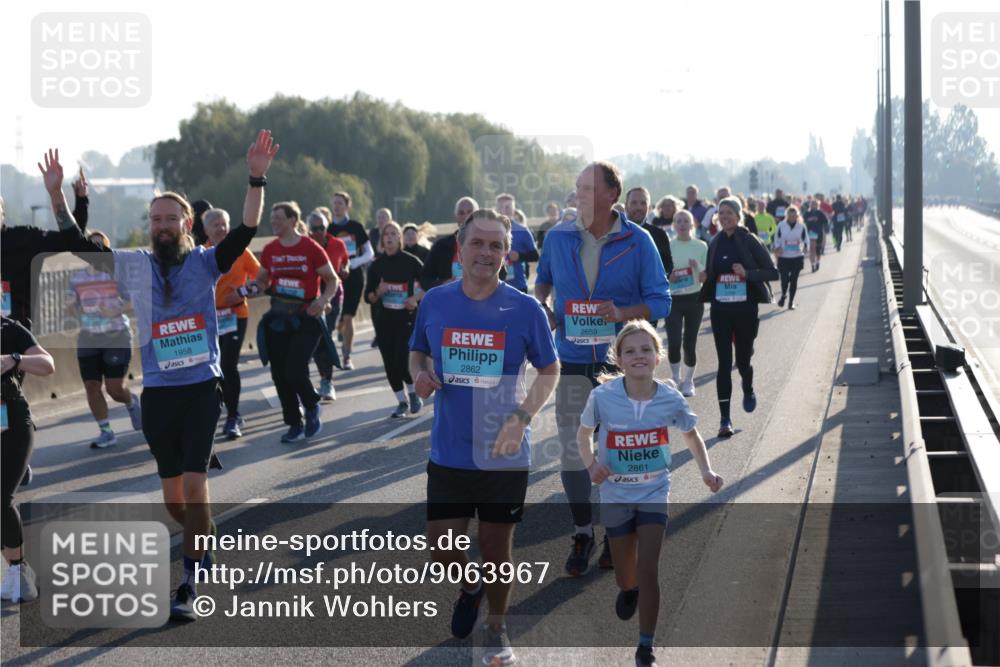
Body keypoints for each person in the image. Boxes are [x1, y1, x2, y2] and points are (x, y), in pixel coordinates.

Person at [39, 130, 280, 620]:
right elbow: (80, 246)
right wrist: (57, 197)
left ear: (186, 222)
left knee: (194, 488)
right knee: (175, 500)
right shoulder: (133, 264)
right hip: (159, 396)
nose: (164, 226)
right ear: (149, 226)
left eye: (171, 218)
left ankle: (190, 583)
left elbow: (247, 230)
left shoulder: (207, 263)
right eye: (156, 220)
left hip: (199, 391)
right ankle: (202, 544)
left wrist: (256, 177)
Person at [409, 208, 559, 667]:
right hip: (450, 450)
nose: (486, 252)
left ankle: (496, 626)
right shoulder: (436, 302)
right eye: (478, 243)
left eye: (496, 245)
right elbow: (417, 352)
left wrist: (522, 417)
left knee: (497, 549)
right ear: (460, 248)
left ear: (507, 254)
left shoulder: (525, 308)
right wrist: (419, 376)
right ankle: (470, 586)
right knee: (442, 551)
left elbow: (550, 369)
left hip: (503, 452)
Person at [535, 161, 670, 576]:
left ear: (612, 194)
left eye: (589, 188)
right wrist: (543, 306)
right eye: (577, 188)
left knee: (618, 451)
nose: (580, 196)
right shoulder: (558, 236)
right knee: (575, 448)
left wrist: (623, 312)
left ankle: (617, 532)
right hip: (573, 358)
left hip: (620, 365)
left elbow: (660, 301)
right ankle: (581, 531)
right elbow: (542, 281)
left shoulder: (638, 239)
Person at [577, 320, 723, 667]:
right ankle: (629, 591)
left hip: (654, 490)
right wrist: (592, 466)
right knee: (626, 575)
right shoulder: (602, 397)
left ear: (658, 357)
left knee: (648, 567)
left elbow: (691, 435)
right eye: (630, 351)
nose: (638, 356)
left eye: (646, 350)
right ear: (619, 359)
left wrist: (706, 470)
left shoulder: (670, 398)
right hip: (615, 494)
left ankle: (646, 646)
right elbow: (582, 437)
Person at [256, 202, 341, 443]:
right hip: (278, 319)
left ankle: (312, 405)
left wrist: (322, 300)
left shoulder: (310, 247)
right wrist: (249, 288)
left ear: (293, 221)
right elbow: (262, 280)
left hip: (307, 317)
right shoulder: (270, 249)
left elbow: (332, 280)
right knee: (279, 375)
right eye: (272, 219)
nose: (274, 223)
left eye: (279, 219)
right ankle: (294, 423)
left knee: (294, 369)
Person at [699, 196, 778, 438]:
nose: (725, 217)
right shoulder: (714, 242)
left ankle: (748, 384)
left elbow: (772, 272)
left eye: (729, 213)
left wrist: (747, 273)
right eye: (721, 214)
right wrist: (705, 277)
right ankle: (725, 419)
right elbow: (712, 274)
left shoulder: (748, 239)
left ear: (738, 215)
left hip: (745, 310)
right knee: (724, 363)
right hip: (721, 310)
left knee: (743, 361)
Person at [65, 229, 141, 448]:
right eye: (92, 246)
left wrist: (114, 312)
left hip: (116, 335)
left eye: (100, 246)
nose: (96, 251)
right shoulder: (77, 278)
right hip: (89, 337)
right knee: (91, 386)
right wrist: (70, 307)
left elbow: (132, 302)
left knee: (114, 388)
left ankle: (129, 401)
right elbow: (73, 309)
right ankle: (106, 431)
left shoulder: (116, 274)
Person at [1, 316, 55, 602]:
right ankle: (15, 567)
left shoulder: (9, 329)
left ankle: (18, 570)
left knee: (0, 497)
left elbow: (47, 364)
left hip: (11, 424)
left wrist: (15, 358)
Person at [204, 208, 261, 439]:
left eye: (224, 224)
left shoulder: (241, 251)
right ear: (207, 230)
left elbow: (263, 277)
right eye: (215, 225)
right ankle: (212, 416)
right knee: (211, 370)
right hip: (208, 319)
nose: (221, 229)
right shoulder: (201, 253)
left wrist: (242, 291)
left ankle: (233, 416)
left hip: (235, 315)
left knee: (228, 364)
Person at [365, 221, 424, 418]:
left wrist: (414, 299)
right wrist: (378, 292)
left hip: (406, 318)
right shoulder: (376, 265)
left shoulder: (411, 261)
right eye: (385, 234)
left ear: (399, 238)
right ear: (382, 240)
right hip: (384, 319)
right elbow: (368, 297)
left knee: (401, 359)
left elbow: (430, 284)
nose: (389, 237)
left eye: (393, 234)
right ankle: (401, 401)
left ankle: (414, 394)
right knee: (389, 363)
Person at [664, 210, 707, 397]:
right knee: (673, 340)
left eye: (686, 221)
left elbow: (706, 277)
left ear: (692, 224)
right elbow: (661, 275)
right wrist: (669, 276)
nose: (682, 224)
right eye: (678, 221)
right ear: (674, 225)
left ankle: (689, 381)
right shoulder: (668, 246)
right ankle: (675, 377)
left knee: (689, 343)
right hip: (673, 299)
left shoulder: (701, 246)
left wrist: (697, 266)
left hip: (694, 298)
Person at [308, 210, 349, 402]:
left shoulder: (338, 244)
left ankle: (327, 382)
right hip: (313, 296)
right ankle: (321, 380)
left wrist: (345, 270)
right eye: (314, 228)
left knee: (325, 337)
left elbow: (345, 261)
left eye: (321, 228)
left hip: (333, 294)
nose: (318, 232)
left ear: (327, 227)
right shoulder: (306, 245)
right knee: (316, 339)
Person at [328, 192, 372, 370]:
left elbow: (370, 253)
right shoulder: (328, 230)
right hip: (333, 278)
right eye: (334, 203)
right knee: (333, 316)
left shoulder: (356, 227)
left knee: (348, 317)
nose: (337, 206)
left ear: (347, 206)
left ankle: (346, 356)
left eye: (340, 203)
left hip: (354, 277)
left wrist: (353, 263)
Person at [625, 186, 673, 329]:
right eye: (634, 203)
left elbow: (668, 265)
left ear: (649, 207)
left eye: (643, 203)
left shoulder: (659, 234)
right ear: (626, 206)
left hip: (647, 304)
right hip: (621, 304)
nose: (638, 207)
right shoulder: (614, 233)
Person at [422, 196, 478, 291]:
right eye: (461, 213)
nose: (466, 216)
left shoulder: (487, 243)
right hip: (449, 300)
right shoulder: (441, 246)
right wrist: (443, 284)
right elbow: (425, 279)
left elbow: (501, 274)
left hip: (480, 301)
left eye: (470, 212)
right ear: (455, 216)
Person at [495, 194, 539, 294]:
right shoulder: (488, 230)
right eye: (500, 207)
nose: (503, 211)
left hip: (517, 286)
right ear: (496, 209)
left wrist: (519, 256)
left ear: (513, 210)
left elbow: (535, 256)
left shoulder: (522, 230)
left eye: (507, 207)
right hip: (494, 286)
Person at [773, 205, 808, 310]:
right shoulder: (781, 225)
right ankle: (783, 295)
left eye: (794, 216)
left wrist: (806, 248)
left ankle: (791, 302)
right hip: (784, 257)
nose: (792, 218)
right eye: (790, 216)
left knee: (794, 280)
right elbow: (777, 239)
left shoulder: (801, 226)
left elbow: (806, 240)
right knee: (784, 279)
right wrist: (777, 247)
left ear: (797, 216)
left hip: (797, 256)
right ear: (787, 216)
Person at [803, 201, 828, 272]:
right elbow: (803, 221)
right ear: (810, 205)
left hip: (818, 233)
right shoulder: (807, 213)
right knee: (812, 249)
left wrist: (823, 226)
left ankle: (817, 262)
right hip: (810, 233)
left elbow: (825, 221)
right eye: (812, 204)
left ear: (817, 205)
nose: (813, 206)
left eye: (815, 204)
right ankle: (812, 265)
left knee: (817, 251)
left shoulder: (820, 213)